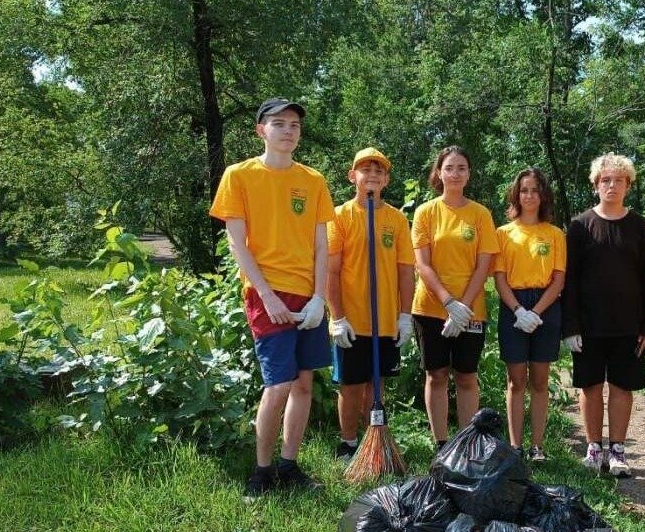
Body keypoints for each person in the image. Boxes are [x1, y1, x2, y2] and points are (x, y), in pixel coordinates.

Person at [209, 97, 334, 499]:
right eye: (279, 123)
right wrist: (266, 294)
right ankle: (261, 472)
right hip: (267, 292)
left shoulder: (313, 181)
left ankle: (288, 465)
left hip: (307, 294)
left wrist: (319, 299)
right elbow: (236, 242)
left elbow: (321, 246)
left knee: (303, 383)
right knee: (277, 384)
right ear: (261, 130)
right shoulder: (239, 175)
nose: (288, 130)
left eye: (294, 125)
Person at [563, 153, 645, 477]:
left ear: (628, 185)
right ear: (595, 185)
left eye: (619, 180)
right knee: (590, 387)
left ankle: (617, 450)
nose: (612, 185)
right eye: (606, 180)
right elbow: (570, 279)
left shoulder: (639, 226)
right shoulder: (579, 226)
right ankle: (594, 448)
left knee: (621, 387)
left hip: (629, 326)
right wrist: (570, 326)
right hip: (588, 326)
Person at [326, 148, 415, 461]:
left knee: (375, 385)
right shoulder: (339, 216)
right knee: (350, 385)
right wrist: (337, 317)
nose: (372, 175)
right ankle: (348, 443)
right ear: (353, 177)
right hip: (352, 318)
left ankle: (373, 444)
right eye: (366, 170)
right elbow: (331, 270)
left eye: (379, 171)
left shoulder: (396, 219)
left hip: (386, 320)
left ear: (386, 180)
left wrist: (405, 317)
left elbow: (406, 271)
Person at [411, 145, 499, 449]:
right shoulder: (426, 212)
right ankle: (440, 443)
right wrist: (448, 302)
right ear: (439, 173)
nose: (455, 173)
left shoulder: (480, 214)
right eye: (450, 168)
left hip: (471, 309)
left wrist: (463, 307)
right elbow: (422, 264)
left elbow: (483, 264)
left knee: (466, 375)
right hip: (431, 307)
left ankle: (467, 442)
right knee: (436, 374)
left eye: (462, 168)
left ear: (469, 174)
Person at [494, 168, 566, 461]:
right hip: (513, 304)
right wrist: (518, 310)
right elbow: (498, 277)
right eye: (524, 190)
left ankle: (537, 446)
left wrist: (535, 312)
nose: (529, 196)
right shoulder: (503, 233)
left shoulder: (554, 234)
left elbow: (559, 279)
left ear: (543, 195)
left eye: (535, 190)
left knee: (539, 379)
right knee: (515, 380)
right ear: (516, 194)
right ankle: (515, 446)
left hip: (546, 306)